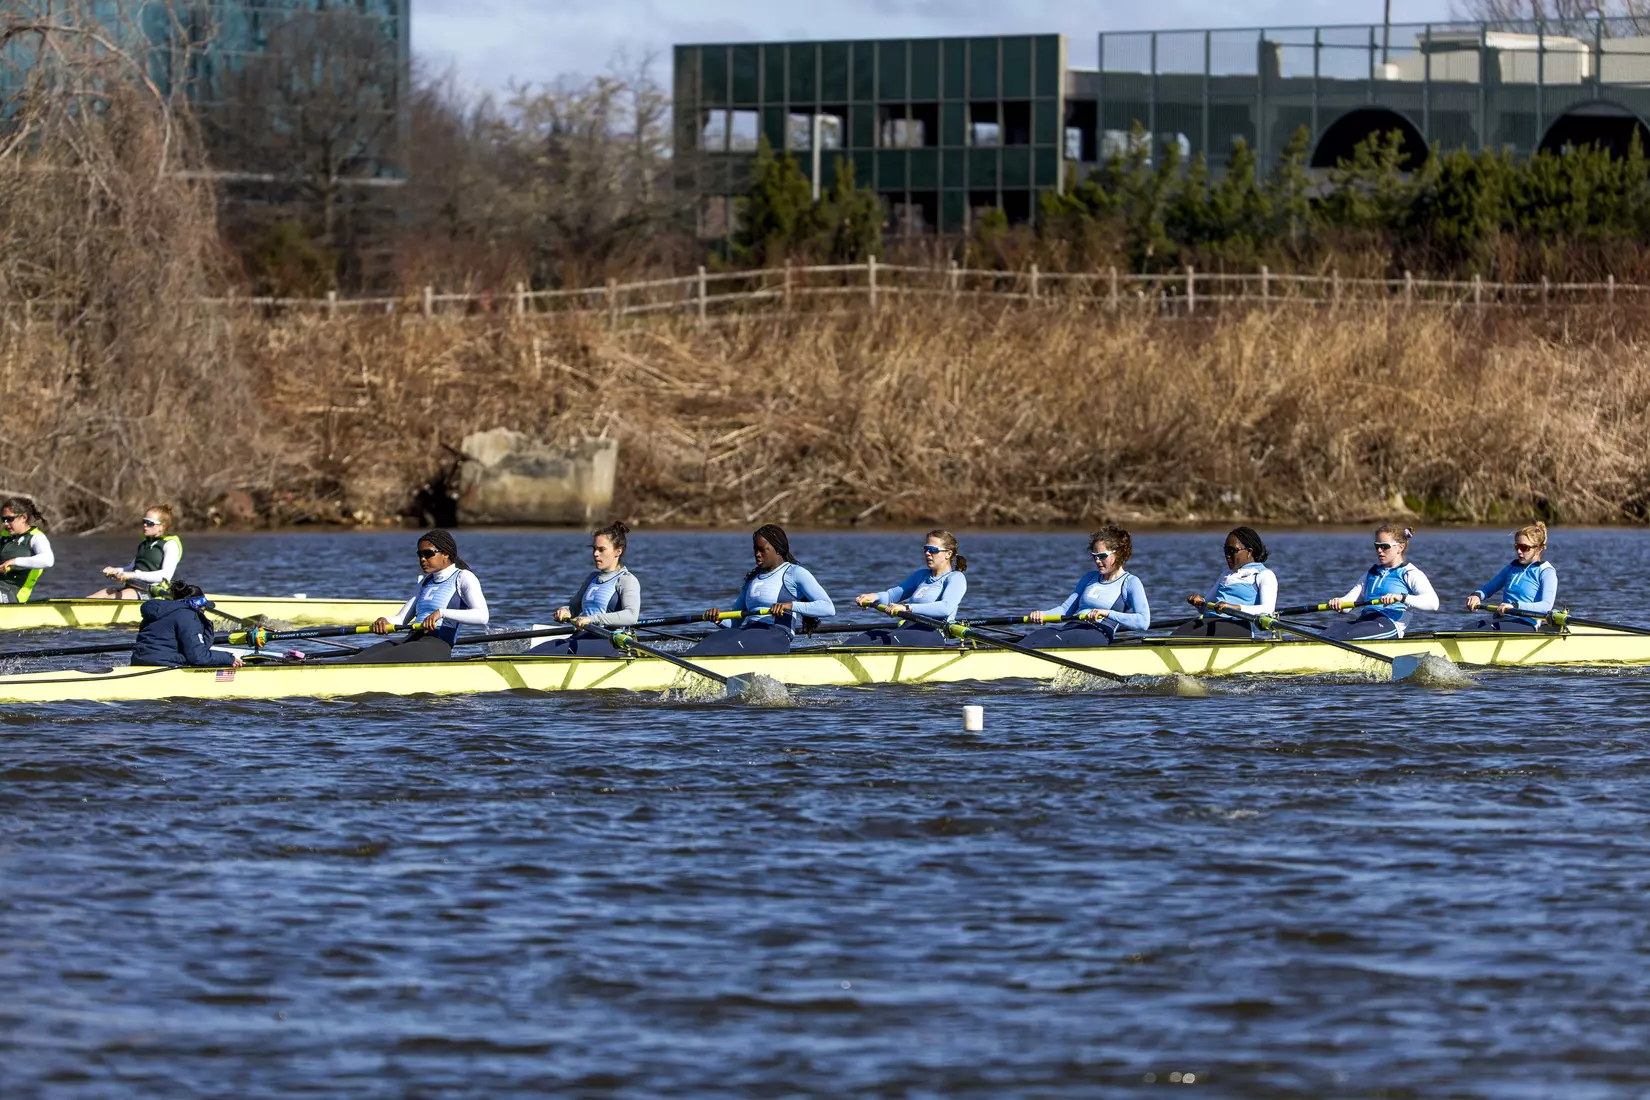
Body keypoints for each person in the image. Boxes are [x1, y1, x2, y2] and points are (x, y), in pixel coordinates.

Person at [342, 530, 488, 663]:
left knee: (372, 660)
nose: (422, 559)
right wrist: (384, 621)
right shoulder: (425, 581)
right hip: (412, 639)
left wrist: (441, 613)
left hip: (437, 645)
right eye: (420, 555)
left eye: (428, 554)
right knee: (362, 656)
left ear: (445, 554)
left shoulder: (463, 577)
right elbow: (400, 619)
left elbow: (482, 616)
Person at [689, 523, 835, 655]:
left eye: (762, 550)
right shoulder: (752, 579)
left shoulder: (795, 573)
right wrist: (718, 618)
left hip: (776, 635)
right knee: (712, 641)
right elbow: (734, 623)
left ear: (778, 550)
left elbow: (828, 608)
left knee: (729, 644)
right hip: (748, 633)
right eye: (755, 549)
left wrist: (789, 606)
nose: (757, 554)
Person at [1021, 525, 1150, 648]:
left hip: (1097, 632)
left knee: (1043, 645)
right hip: (1072, 627)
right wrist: (1042, 614)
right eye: (1094, 556)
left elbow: (1143, 621)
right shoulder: (1090, 577)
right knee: (1029, 641)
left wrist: (1106, 613)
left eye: (1102, 556)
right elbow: (1065, 610)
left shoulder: (1131, 582)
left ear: (1119, 553)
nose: (1097, 561)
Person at [532, 521, 640, 656]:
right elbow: (574, 607)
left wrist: (591, 619)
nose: (595, 554)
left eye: (601, 549)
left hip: (607, 642)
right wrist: (565, 610)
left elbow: (631, 616)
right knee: (528, 654)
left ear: (618, 551)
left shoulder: (626, 580)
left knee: (541, 656)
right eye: (594, 548)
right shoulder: (592, 578)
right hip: (581, 637)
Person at [845, 530, 969, 646]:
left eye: (932, 550)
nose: (927, 553)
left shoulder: (955, 578)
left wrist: (907, 607)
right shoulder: (921, 575)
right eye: (925, 549)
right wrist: (874, 596)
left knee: (878, 644)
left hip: (931, 633)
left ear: (948, 554)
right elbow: (892, 595)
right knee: (857, 640)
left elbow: (945, 608)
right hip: (907, 628)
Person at [1324, 523, 1438, 640]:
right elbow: (1347, 605)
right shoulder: (1371, 573)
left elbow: (1433, 603)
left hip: (1389, 625)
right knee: (1329, 632)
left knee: (1343, 635)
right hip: (1365, 621)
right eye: (1376, 546)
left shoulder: (1410, 573)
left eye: (1384, 546)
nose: (1379, 550)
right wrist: (1338, 602)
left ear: (1400, 547)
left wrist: (1402, 598)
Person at [1174, 526, 1277, 638]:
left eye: (1232, 551)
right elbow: (1205, 608)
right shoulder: (1226, 574)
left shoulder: (1264, 575)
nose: (1227, 555)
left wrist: (1234, 607)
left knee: (1180, 640)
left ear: (1249, 552)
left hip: (1239, 625)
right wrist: (1199, 602)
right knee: (1174, 636)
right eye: (1225, 550)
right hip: (1211, 621)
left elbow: (1267, 610)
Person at [1464, 522, 1557, 631]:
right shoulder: (1512, 568)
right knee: (1465, 630)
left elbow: (1546, 606)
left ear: (1539, 548)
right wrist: (1477, 596)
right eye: (1517, 546)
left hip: (1525, 623)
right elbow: (1488, 588)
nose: (1519, 552)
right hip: (1502, 619)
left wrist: (1515, 606)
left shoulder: (1546, 572)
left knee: (1480, 632)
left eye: (1524, 547)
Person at [130, 582, 241, 669]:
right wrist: (228, 658)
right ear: (197, 606)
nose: (204, 611)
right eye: (204, 608)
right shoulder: (188, 616)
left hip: (138, 660)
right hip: (163, 664)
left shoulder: (156, 612)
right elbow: (198, 657)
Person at [88, 505, 183, 599]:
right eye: (144, 521)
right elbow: (131, 568)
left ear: (162, 526)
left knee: (107, 600)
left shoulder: (170, 545)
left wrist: (134, 575)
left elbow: (165, 575)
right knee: (94, 597)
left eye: (150, 523)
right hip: (134, 587)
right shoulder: (145, 544)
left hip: (153, 593)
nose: (145, 525)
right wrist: (116, 570)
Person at [0, 498, 53, 604]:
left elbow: (48, 561)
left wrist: (14, 561)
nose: (6, 524)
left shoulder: (36, 538)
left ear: (23, 517)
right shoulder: (5, 536)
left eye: (10, 519)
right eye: (3, 519)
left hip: (13, 594)